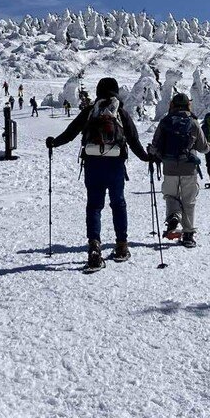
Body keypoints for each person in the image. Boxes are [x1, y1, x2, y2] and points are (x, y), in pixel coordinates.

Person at [46, 77, 151, 272]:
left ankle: (94, 248)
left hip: (93, 164)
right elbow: (133, 140)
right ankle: (121, 246)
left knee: (94, 206)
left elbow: (70, 133)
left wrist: (54, 142)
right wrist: (147, 157)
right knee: (118, 203)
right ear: (116, 92)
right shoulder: (119, 112)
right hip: (116, 165)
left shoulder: (90, 111)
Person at [150, 94, 210, 248]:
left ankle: (174, 218)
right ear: (187, 105)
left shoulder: (165, 121)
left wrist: (156, 154)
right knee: (188, 200)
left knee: (170, 195)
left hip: (169, 167)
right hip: (189, 167)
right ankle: (188, 235)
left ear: (173, 105)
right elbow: (203, 147)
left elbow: (156, 145)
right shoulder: (193, 122)